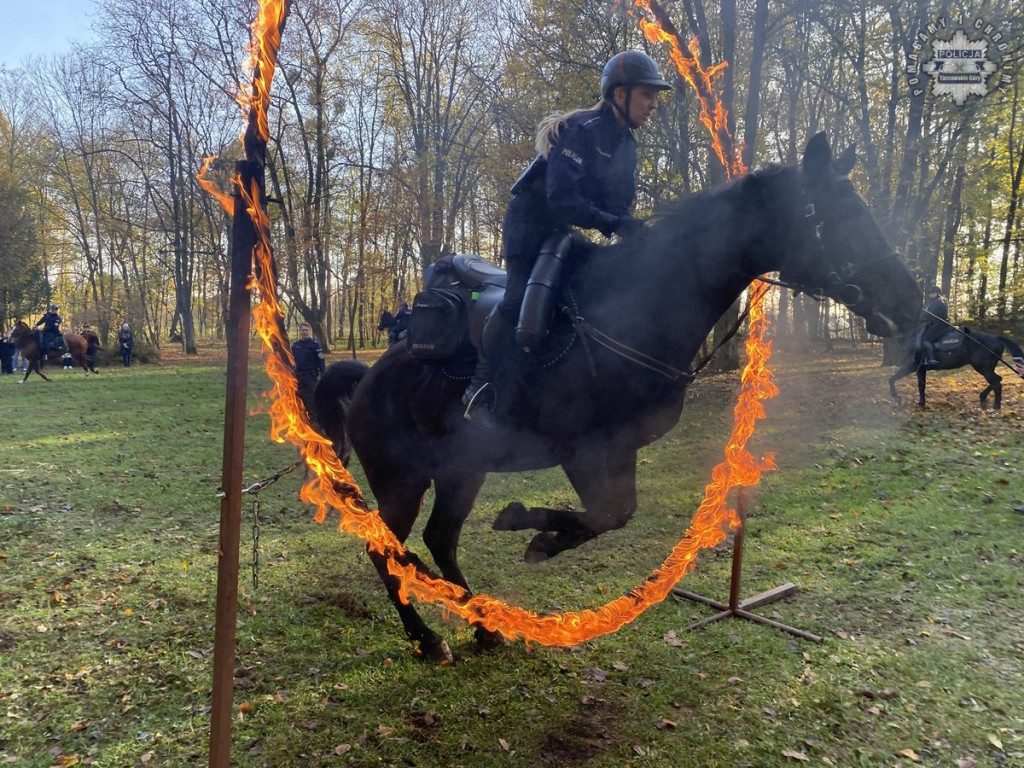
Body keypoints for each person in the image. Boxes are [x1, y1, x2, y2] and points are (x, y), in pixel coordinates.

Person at [462, 50, 671, 428]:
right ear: (619, 95)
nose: (654, 104)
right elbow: (563, 198)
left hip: (563, 230)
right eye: (647, 94)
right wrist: (614, 223)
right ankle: (480, 388)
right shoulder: (582, 130)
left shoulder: (627, 145)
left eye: (655, 96)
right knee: (518, 298)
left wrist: (637, 231)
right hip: (530, 222)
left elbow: (617, 207)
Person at [291, 322, 326, 421]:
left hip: (311, 376)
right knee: (300, 398)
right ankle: (301, 420)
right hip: (298, 376)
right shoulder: (295, 345)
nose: (305, 332)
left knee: (311, 399)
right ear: (300, 331)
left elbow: (321, 361)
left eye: (306, 330)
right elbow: (291, 361)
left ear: (310, 331)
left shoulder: (314, 345)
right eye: (303, 330)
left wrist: (323, 375)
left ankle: (314, 420)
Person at [919, 286, 948, 366]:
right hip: (939, 325)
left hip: (938, 326)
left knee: (925, 340)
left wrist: (920, 319)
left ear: (936, 293)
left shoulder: (936, 303)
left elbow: (928, 315)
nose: (930, 295)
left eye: (931, 293)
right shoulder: (938, 302)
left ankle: (932, 358)